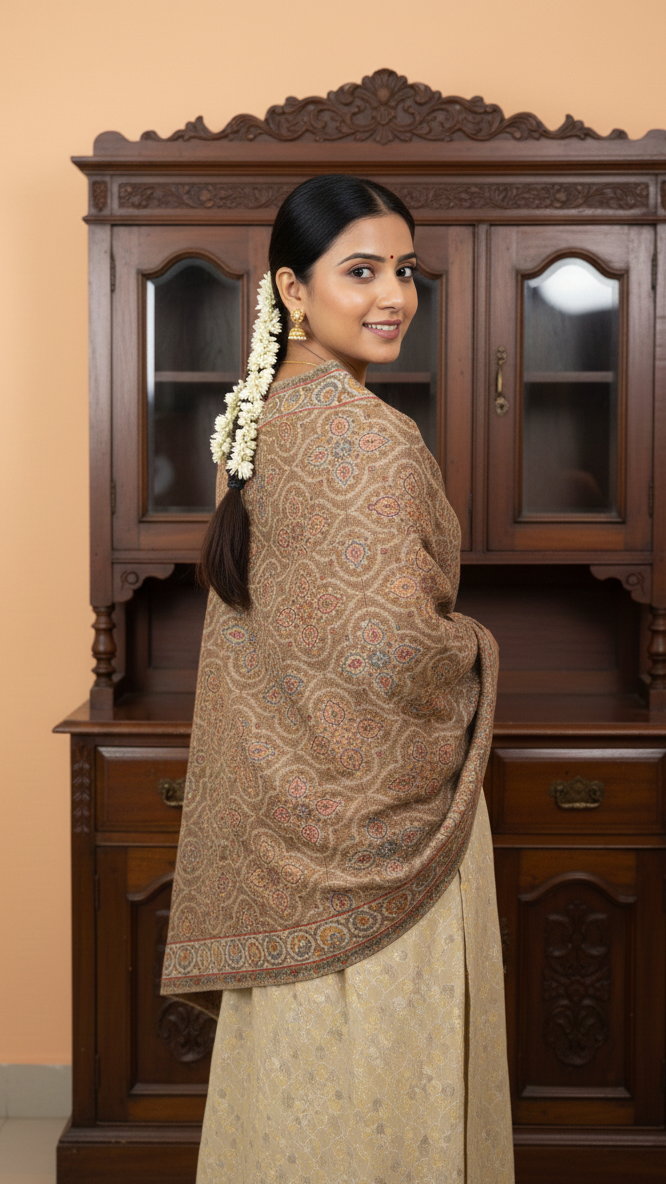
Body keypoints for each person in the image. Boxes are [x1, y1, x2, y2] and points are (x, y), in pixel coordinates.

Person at [162, 175, 514, 1183]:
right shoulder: (370, 434)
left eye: (404, 269)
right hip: (388, 836)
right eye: (360, 271)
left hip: (282, 822)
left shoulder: (259, 419)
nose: (394, 295)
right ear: (293, 289)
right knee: (389, 1083)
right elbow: (393, 649)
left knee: (298, 1090)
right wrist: (476, 647)